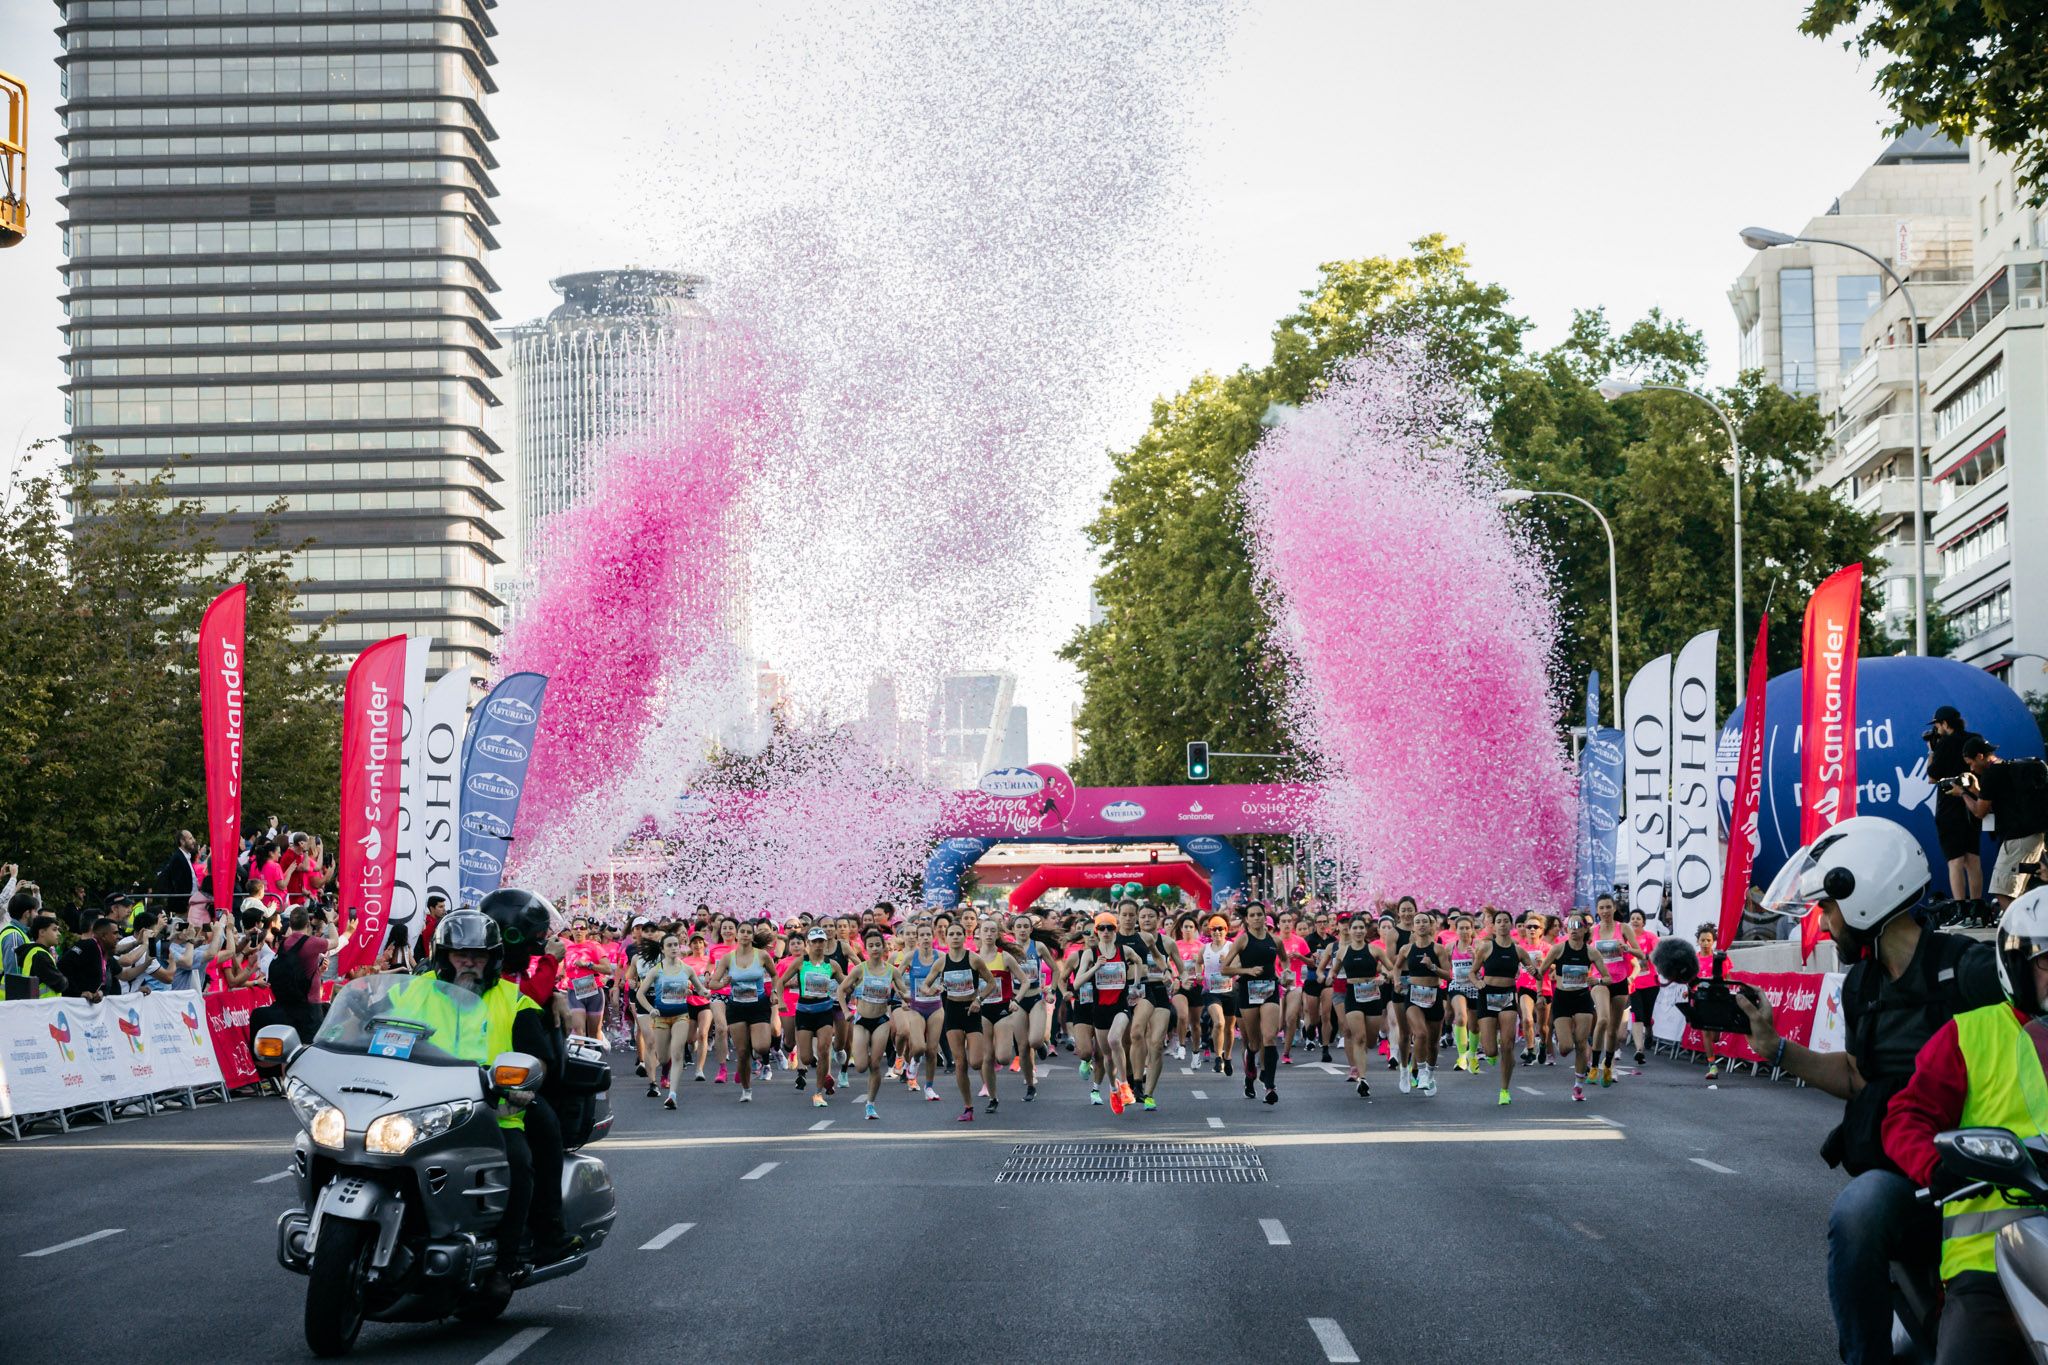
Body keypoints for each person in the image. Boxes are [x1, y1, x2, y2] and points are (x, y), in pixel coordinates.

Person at [1738, 815, 2003, 1365]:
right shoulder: (1861, 985)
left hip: (1988, 1168)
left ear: (1866, 895)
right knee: (1857, 1211)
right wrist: (1776, 1049)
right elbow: (1857, 1077)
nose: (1823, 919)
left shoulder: (1969, 969)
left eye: (1828, 906)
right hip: (1911, 1167)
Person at [1880, 892, 2048, 1364]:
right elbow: (1906, 1116)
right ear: (2016, 966)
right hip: (1990, 1264)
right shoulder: (1969, 1034)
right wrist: (1936, 1166)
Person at [387, 912, 578, 1281]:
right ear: (444, 956)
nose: (469, 962)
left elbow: (538, 1057)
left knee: (518, 1161)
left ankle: (505, 1265)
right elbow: (372, 1028)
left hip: (491, 1109)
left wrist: (521, 1084)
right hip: (416, 1105)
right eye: (461, 954)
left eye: (479, 955)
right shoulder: (412, 991)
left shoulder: (512, 999)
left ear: (493, 958)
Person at [1958, 737, 2048, 911]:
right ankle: (2040, 868)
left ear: (1980, 756)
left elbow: (1979, 812)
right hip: (2033, 838)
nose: (1971, 769)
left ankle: (2023, 928)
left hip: (2017, 840)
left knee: (2002, 893)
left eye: (1970, 763)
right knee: (2016, 880)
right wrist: (1975, 790)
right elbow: (1994, 803)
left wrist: (1962, 793)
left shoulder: (1991, 774)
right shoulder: (2006, 769)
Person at [1927, 705, 1985, 914]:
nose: (1936, 729)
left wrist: (1932, 751)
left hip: (1950, 806)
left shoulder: (1944, 744)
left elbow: (1932, 777)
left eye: (1937, 725)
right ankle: (1977, 908)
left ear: (1944, 723)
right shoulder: (1975, 738)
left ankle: (1961, 909)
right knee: (1973, 858)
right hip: (1974, 802)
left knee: (1955, 860)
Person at [60, 917, 120, 1000]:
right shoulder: (87, 946)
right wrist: (77, 993)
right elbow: (62, 965)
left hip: (89, 1005)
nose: (118, 937)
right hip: (73, 1003)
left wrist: (101, 992)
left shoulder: (106, 952)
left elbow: (106, 980)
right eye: (115, 933)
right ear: (103, 936)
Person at [18, 916, 68, 998]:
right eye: (54, 930)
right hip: (44, 1004)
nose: (59, 933)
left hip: (36, 1003)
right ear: (42, 932)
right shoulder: (40, 955)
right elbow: (60, 984)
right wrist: (64, 980)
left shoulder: (33, 951)